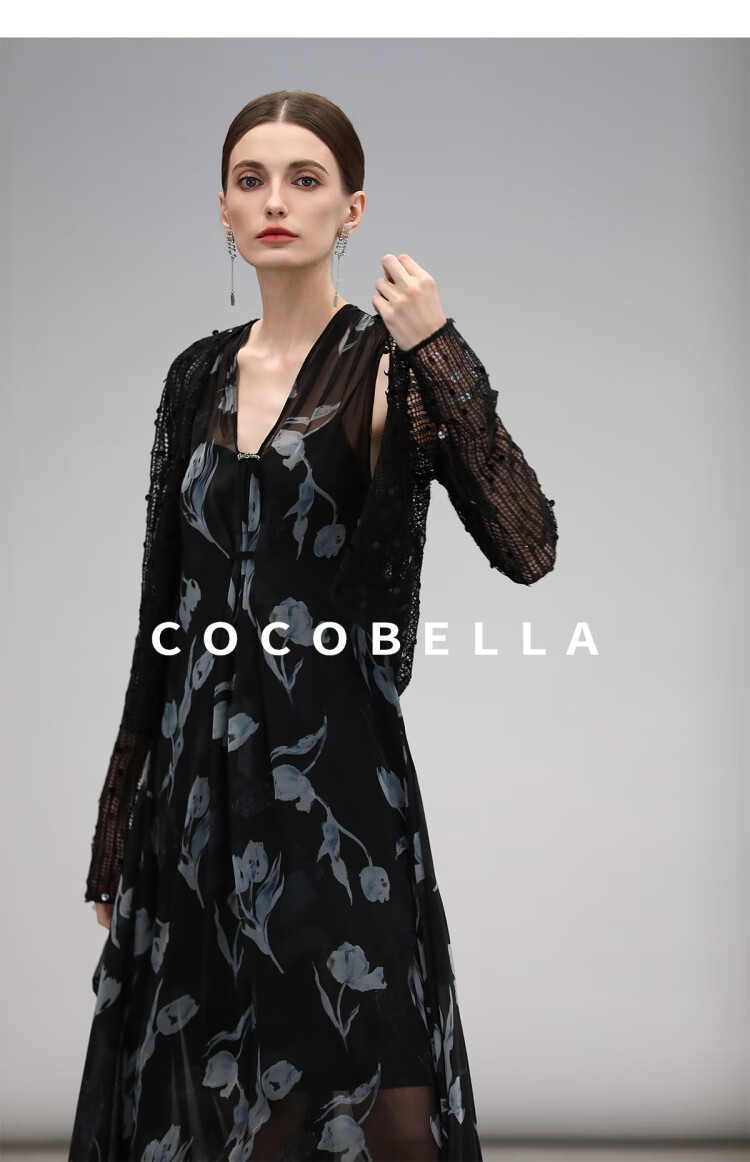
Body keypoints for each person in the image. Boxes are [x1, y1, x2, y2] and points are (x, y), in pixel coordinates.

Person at [69, 89, 558, 1162]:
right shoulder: (194, 377)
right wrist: (122, 813)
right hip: (196, 789)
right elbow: (162, 612)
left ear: (353, 209)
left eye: (305, 179)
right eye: (251, 181)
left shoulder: (388, 368)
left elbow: (528, 545)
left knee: (380, 1095)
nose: (276, 202)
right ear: (223, 210)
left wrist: (441, 350)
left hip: (334, 784)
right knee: (218, 1100)